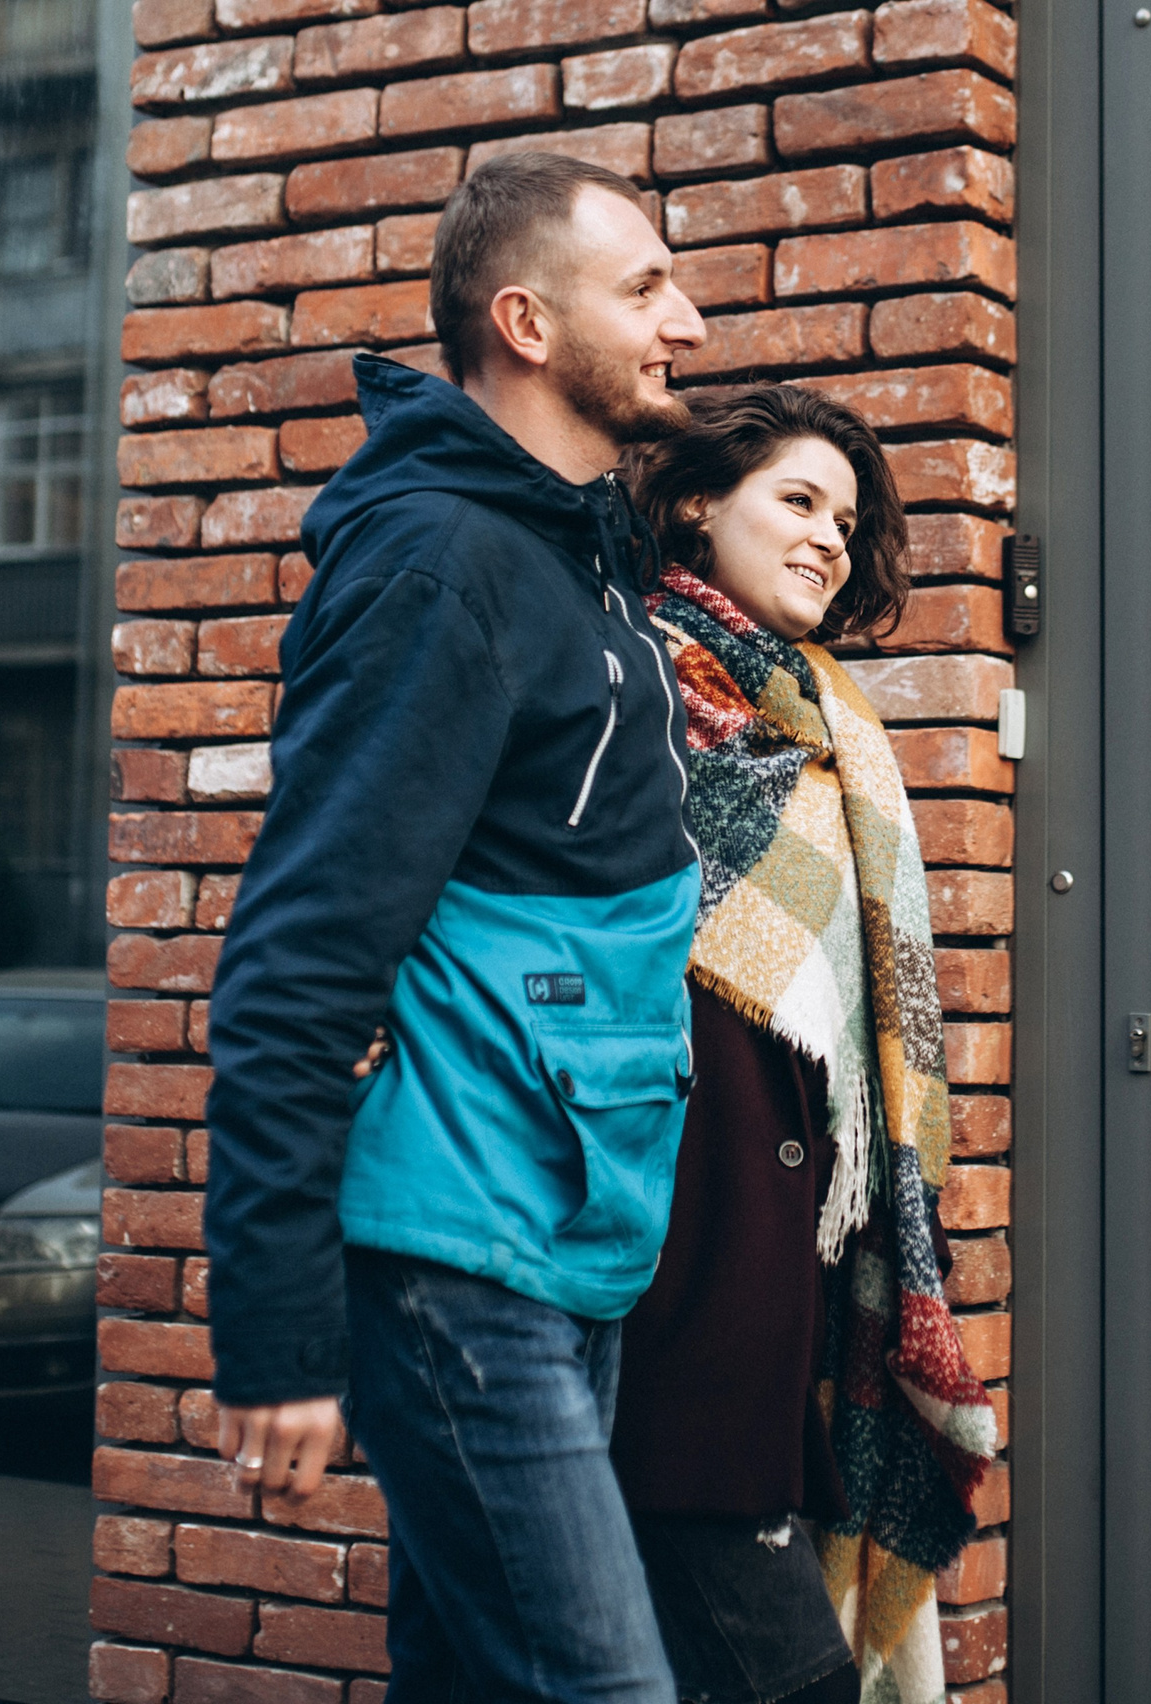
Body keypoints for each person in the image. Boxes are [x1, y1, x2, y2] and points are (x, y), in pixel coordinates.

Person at [199, 154, 707, 1703]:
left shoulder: (579, 552)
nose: (687, 316)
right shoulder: (447, 564)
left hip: (557, 1225)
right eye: (644, 287)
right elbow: (297, 960)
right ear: (525, 324)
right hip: (453, 1248)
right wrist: (277, 1339)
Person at [619, 385, 997, 1704]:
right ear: (691, 505)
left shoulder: (833, 732)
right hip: (664, 1273)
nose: (832, 537)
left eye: (848, 519)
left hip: (792, 1289)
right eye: (798, 499)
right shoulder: (624, 691)